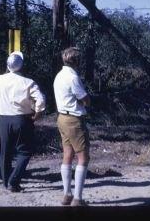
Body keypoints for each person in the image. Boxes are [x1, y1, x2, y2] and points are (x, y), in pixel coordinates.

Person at [0, 51, 45, 192]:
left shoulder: (0, 80)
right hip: (22, 119)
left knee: (5, 152)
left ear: (7, 65)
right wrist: (37, 113)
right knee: (24, 152)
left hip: (4, 119)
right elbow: (41, 100)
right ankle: (14, 181)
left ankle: (6, 182)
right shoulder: (29, 82)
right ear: (22, 65)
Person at [53, 47, 91, 207]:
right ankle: (78, 198)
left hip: (61, 117)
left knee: (67, 154)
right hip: (74, 120)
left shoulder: (59, 75)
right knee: (83, 157)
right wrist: (88, 100)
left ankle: (67, 194)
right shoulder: (73, 77)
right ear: (76, 61)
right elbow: (84, 98)